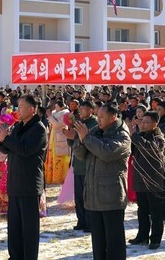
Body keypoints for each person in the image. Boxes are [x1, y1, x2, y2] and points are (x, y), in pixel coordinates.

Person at [72, 104, 131, 260]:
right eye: (97, 116)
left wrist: (87, 138)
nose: (98, 119)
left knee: (114, 242)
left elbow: (106, 152)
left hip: (111, 196)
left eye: (102, 117)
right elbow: (80, 154)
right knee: (98, 243)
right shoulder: (96, 132)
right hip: (94, 195)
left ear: (113, 118)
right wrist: (79, 139)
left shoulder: (122, 135)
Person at [0, 95, 47, 260]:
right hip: (15, 182)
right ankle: (15, 256)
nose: (18, 110)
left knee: (29, 228)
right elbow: (8, 149)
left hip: (29, 184)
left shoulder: (39, 129)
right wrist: (1, 140)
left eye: (22, 107)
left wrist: (7, 139)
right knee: (15, 226)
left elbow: (25, 150)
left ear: (32, 110)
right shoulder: (19, 126)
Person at [129, 111, 165, 249]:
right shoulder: (139, 135)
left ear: (154, 124)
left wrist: (136, 137)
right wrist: (132, 137)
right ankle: (142, 236)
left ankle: (155, 238)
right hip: (140, 178)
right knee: (142, 209)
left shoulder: (158, 137)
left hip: (153, 180)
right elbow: (132, 151)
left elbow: (151, 149)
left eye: (146, 122)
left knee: (155, 211)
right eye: (141, 121)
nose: (142, 125)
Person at [63, 100, 97, 233]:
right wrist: (70, 136)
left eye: (84, 109)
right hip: (78, 163)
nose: (81, 111)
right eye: (80, 109)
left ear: (91, 110)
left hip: (88, 164)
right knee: (78, 196)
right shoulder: (78, 122)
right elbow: (73, 143)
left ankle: (89, 223)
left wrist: (75, 137)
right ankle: (81, 221)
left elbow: (89, 141)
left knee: (87, 196)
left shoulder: (94, 123)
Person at [46, 100, 71, 184]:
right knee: (53, 156)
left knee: (60, 158)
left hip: (61, 137)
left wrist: (49, 116)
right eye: (55, 107)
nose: (55, 109)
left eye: (57, 107)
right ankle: (53, 177)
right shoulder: (54, 114)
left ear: (62, 107)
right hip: (54, 137)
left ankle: (61, 178)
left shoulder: (65, 114)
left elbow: (57, 125)